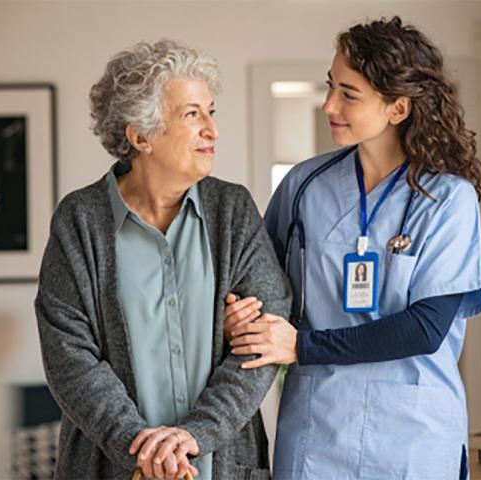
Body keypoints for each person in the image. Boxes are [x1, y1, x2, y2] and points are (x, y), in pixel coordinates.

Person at [224, 16, 481, 479]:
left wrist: (301, 346)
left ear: (397, 108)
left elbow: (425, 328)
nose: (329, 104)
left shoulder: (448, 199)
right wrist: (242, 315)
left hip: (413, 436)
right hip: (317, 432)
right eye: (331, 86)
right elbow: (258, 287)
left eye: (349, 94)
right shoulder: (303, 186)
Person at [35, 40, 291, 480]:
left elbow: (263, 340)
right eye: (192, 114)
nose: (212, 130)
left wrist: (195, 434)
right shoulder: (80, 220)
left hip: (222, 466)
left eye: (211, 112)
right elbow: (69, 357)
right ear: (140, 136)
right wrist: (141, 447)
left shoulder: (233, 211)